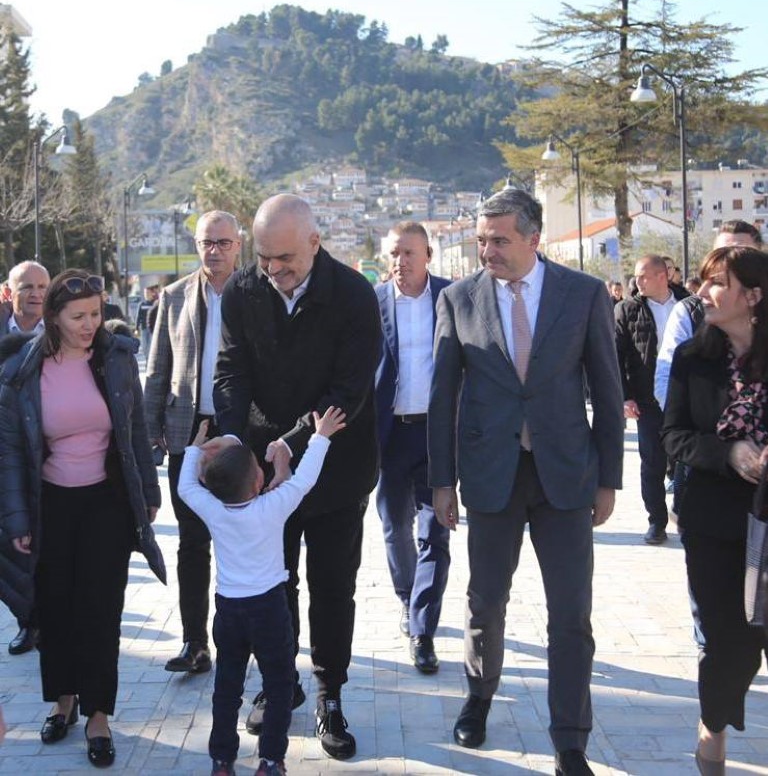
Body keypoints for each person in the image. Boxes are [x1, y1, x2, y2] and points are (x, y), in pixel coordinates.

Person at [428, 189, 624, 775]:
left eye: (499, 240)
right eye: (481, 240)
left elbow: (607, 390)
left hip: (566, 475)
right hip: (492, 475)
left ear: (533, 239)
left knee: (572, 613)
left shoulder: (582, 294)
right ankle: (478, 696)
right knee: (485, 602)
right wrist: (442, 480)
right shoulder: (458, 299)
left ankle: (570, 739)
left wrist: (609, 479)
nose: (487, 251)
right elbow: (442, 397)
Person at [214, 194, 381, 760]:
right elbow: (231, 370)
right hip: (267, 476)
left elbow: (348, 392)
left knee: (333, 586)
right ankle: (279, 683)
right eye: (263, 257)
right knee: (274, 586)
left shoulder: (354, 295)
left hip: (337, 469)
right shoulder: (242, 291)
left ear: (315, 242)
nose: (273, 270)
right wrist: (235, 440)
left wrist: (290, 442)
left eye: (284, 258)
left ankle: (331, 692)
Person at [0, 270, 166, 769]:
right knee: (55, 609)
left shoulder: (117, 359)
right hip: (49, 502)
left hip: (107, 502)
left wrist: (149, 491)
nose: (90, 324)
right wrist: (17, 519)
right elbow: (10, 453)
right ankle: (63, 700)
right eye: (78, 316)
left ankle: (97, 715)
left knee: (100, 609)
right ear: (54, 318)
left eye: (95, 313)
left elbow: (134, 430)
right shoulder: (22, 370)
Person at [180, 407, 346, 776]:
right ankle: (270, 760)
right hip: (268, 608)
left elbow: (185, 488)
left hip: (228, 610)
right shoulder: (271, 508)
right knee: (279, 684)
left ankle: (222, 760)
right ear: (258, 482)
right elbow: (304, 480)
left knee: (227, 687)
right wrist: (320, 437)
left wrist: (195, 449)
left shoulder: (213, 510)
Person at [662, 246, 768, 775]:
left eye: (717, 283)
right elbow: (674, 435)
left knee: (758, 637)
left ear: (753, 295)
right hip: (713, 522)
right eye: (703, 281)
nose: (702, 293)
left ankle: (716, 721)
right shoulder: (692, 358)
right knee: (727, 640)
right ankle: (713, 729)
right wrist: (727, 452)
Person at [144, 211, 242, 675]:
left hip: (238, 433)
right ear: (196, 245)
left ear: (238, 245)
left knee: (241, 538)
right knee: (192, 542)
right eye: (206, 242)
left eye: (223, 242)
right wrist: (151, 432)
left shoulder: (257, 292)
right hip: (188, 433)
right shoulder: (174, 295)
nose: (214, 250)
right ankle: (195, 643)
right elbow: (157, 370)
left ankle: (243, 640)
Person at [374, 222, 451, 673]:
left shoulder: (450, 298)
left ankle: (423, 629)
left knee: (435, 530)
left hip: (436, 435)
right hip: (389, 435)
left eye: (409, 252)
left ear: (428, 255)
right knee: (394, 525)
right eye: (394, 253)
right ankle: (407, 597)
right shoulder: (373, 302)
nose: (400, 261)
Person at [655, 221, 763, 409]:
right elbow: (667, 380)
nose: (728, 259)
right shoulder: (688, 312)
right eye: (721, 252)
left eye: (740, 252)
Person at [0, 260, 50, 657]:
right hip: (6, 451)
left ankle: (47, 620)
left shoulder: (62, 332)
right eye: (26, 287)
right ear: (7, 293)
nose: (35, 294)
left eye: (42, 287)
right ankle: (28, 621)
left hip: (47, 451)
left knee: (45, 539)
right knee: (11, 543)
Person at [615, 254, 681, 544]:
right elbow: (616, 355)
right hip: (648, 400)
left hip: (686, 399)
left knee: (686, 462)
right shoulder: (627, 309)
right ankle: (657, 521)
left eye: (643, 275)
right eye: (636, 276)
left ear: (662, 276)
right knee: (652, 463)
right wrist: (625, 396)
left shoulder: (687, 305)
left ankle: (686, 515)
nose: (637, 281)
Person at [135, 285, 158, 357]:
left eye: (148, 293)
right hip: (144, 329)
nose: (146, 294)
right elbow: (138, 317)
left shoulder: (155, 304)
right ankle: (147, 358)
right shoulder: (141, 304)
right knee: (144, 346)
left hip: (153, 329)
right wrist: (136, 328)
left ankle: (149, 361)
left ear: (152, 293)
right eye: (145, 293)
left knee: (151, 346)